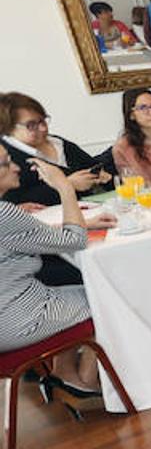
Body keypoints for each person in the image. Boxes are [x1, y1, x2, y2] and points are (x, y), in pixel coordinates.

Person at [0, 153, 115, 397]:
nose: (16, 167)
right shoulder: (5, 214)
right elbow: (75, 240)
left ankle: (66, 376)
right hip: (16, 321)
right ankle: (85, 381)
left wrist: (85, 222)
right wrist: (64, 186)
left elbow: (19, 236)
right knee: (108, 297)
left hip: (9, 315)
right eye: (6, 164)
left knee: (72, 291)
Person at [0, 92, 112, 208]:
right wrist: (67, 185)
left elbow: (93, 166)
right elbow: (10, 204)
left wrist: (100, 175)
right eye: (32, 125)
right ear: (8, 128)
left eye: (43, 120)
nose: (43, 128)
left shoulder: (59, 143)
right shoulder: (5, 157)